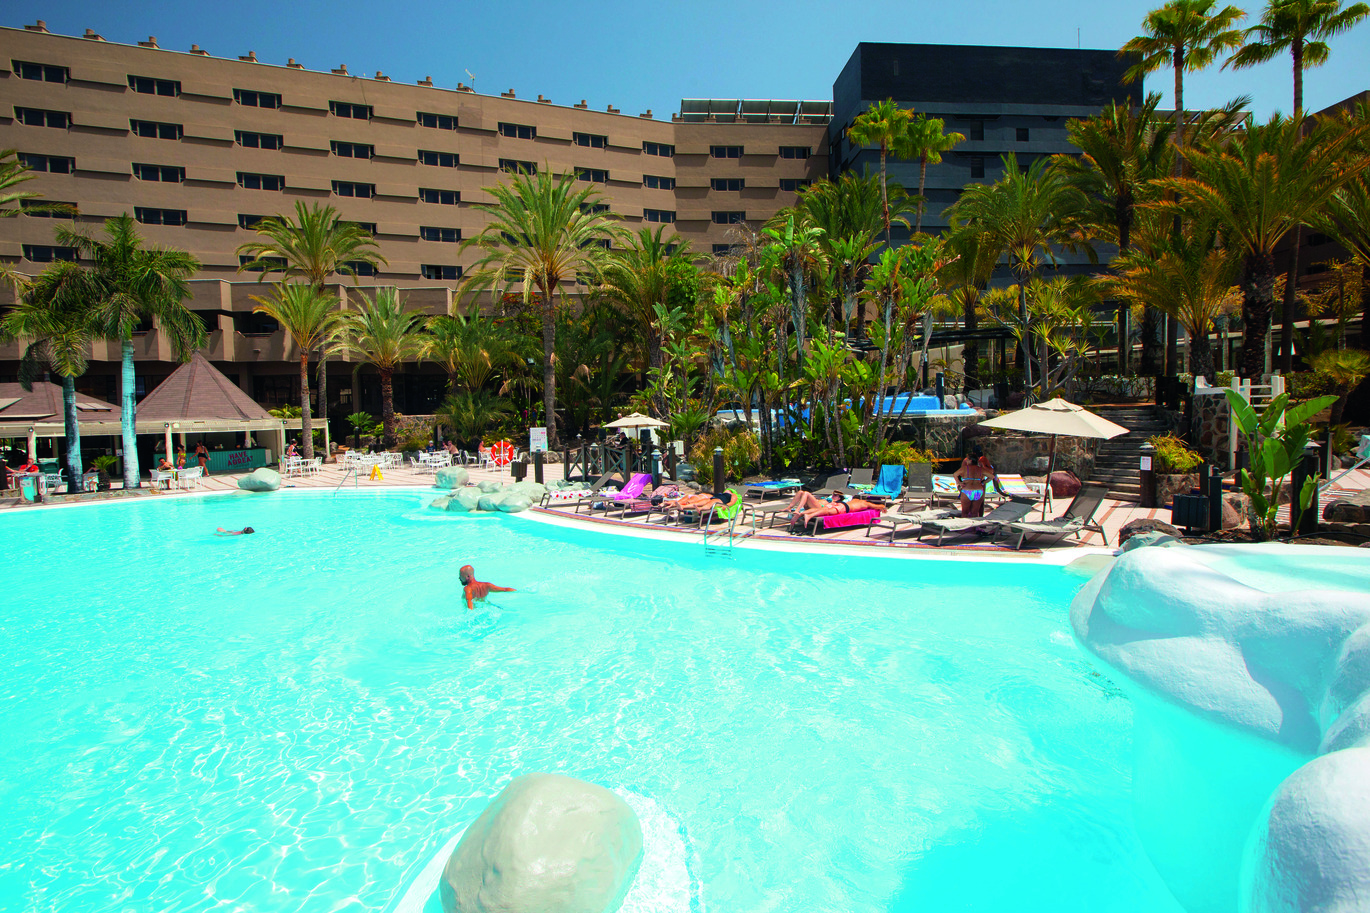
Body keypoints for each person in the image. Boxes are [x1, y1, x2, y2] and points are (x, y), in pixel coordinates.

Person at [786, 489, 883, 533]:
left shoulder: (859, 502)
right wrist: (883, 507)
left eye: (836, 495)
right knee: (826, 511)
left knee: (825, 510)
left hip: (841, 506)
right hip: (842, 507)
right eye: (833, 494)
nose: (833, 496)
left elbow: (874, 505)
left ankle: (803, 513)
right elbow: (876, 506)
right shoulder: (863, 503)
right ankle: (805, 515)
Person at [953, 443, 1005, 518]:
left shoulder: (969, 465)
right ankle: (975, 529)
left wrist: (960, 483)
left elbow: (955, 474)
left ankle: (964, 529)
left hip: (968, 489)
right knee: (975, 513)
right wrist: (983, 481)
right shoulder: (978, 466)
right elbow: (991, 476)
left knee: (965, 513)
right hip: (978, 490)